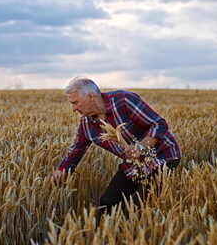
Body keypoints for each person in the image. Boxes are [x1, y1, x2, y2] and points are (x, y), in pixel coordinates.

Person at [51, 77, 181, 217]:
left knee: (148, 205)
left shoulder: (124, 100)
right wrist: (61, 169)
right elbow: (75, 151)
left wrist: (141, 147)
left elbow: (159, 124)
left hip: (163, 156)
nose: (73, 109)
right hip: (134, 165)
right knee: (107, 203)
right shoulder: (86, 125)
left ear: (90, 97)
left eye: (75, 103)